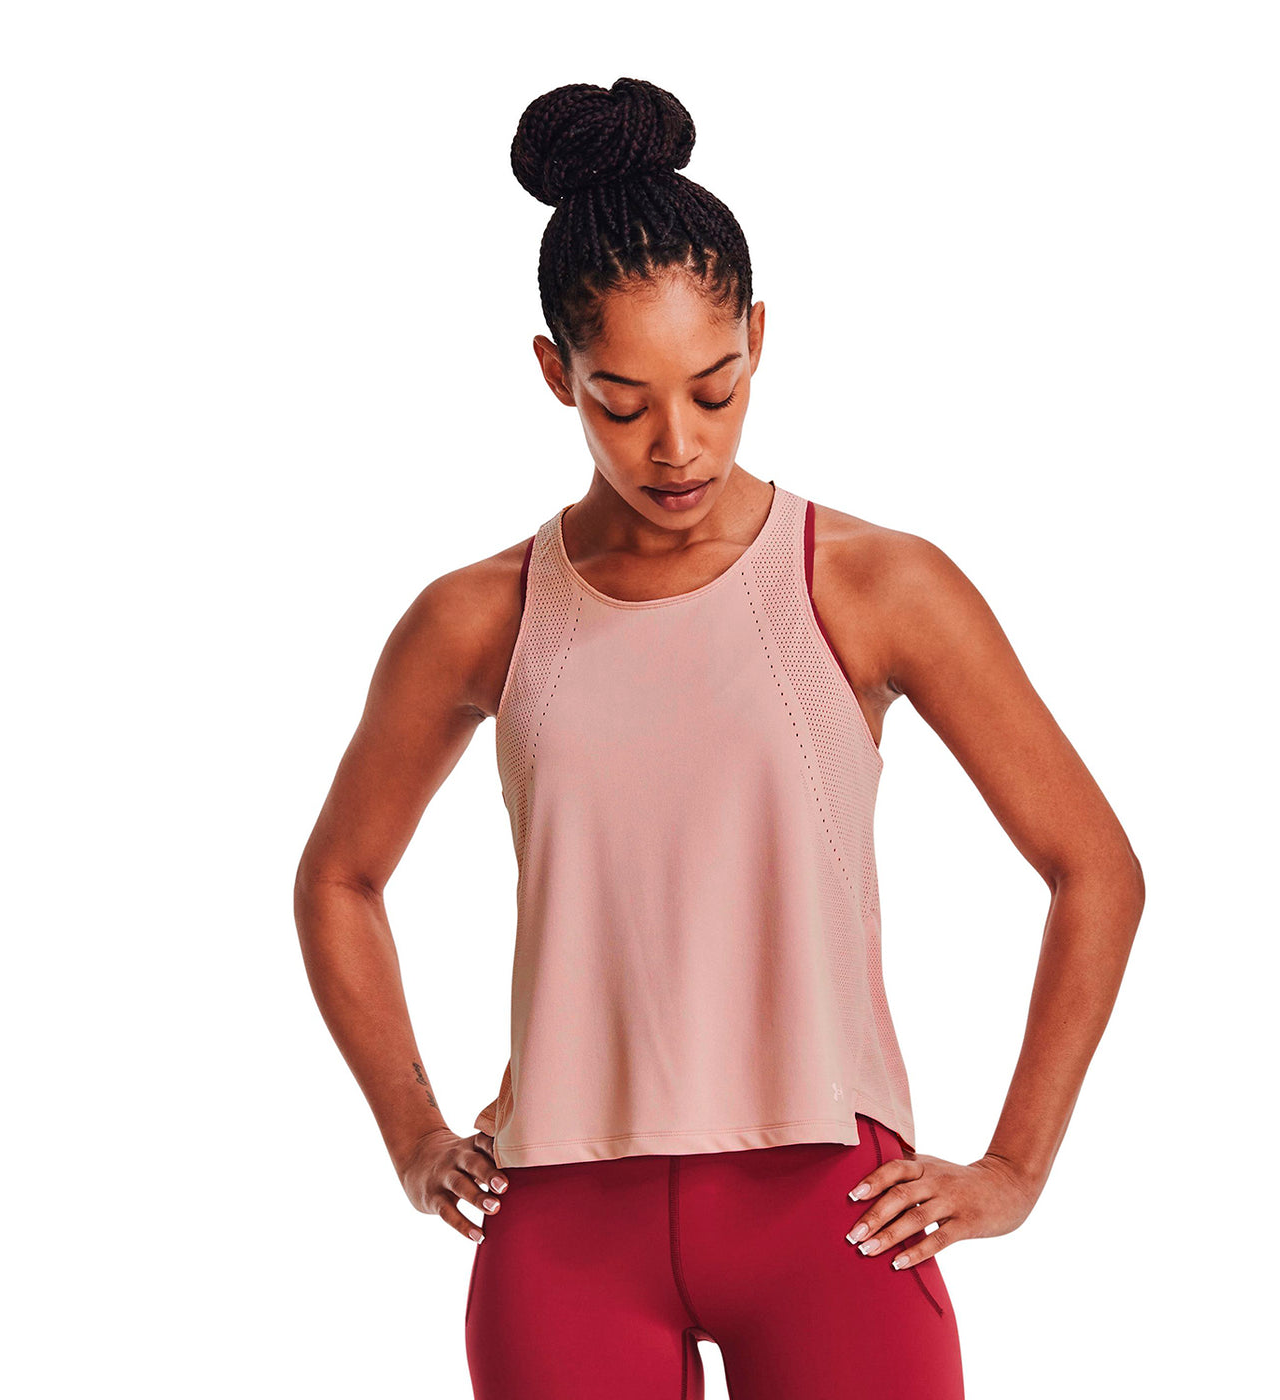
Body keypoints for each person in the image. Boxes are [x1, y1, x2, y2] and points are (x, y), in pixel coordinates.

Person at [293, 76, 1146, 1400]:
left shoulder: (872, 584)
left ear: (758, 337)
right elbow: (340, 880)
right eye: (621, 400)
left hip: (834, 1211)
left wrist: (1014, 1169)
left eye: (715, 387)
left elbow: (1095, 869)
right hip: (562, 1223)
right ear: (554, 374)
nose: (676, 446)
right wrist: (413, 1133)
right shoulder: (480, 617)